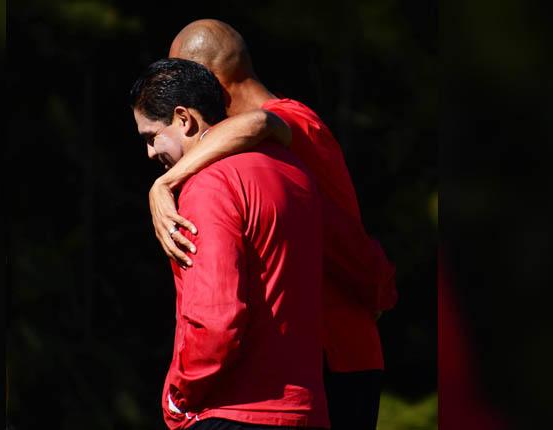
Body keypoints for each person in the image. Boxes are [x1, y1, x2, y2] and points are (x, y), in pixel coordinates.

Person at [148, 19, 398, 430]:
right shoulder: (259, 150)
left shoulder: (290, 122)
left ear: (210, 80)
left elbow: (260, 124)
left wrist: (166, 183)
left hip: (333, 355)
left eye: (186, 82)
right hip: (324, 357)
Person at [130, 58, 330, 430]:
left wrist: (178, 396)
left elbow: (216, 319)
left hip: (235, 410)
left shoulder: (209, 185)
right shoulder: (296, 172)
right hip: (307, 410)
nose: (149, 153)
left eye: (150, 137)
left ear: (184, 119)